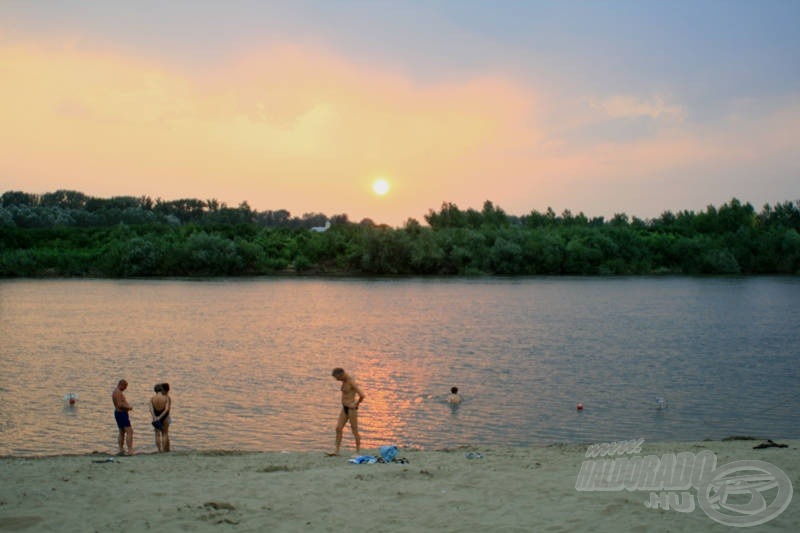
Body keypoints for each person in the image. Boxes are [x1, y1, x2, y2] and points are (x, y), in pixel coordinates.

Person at [329, 368, 365, 456]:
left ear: (342, 375)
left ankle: (357, 452)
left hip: (351, 409)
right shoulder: (344, 381)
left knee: (354, 430)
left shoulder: (351, 381)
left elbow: (362, 395)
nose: (337, 380)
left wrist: (356, 404)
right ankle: (336, 450)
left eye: (337, 378)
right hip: (344, 408)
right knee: (338, 428)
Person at [112, 379, 134, 455]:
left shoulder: (117, 392)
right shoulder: (117, 392)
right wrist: (128, 407)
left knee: (121, 431)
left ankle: (121, 450)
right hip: (121, 413)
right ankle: (130, 450)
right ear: (121, 385)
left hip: (120, 413)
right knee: (129, 431)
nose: (126, 388)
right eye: (125, 386)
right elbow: (119, 405)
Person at [150, 383, 172, 452]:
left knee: (157, 434)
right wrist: (160, 417)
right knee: (165, 433)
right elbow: (167, 409)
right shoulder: (166, 397)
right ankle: (164, 449)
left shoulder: (152, 398)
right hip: (164, 416)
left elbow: (151, 409)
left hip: (156, 415)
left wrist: (155, 417)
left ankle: (159, 449)